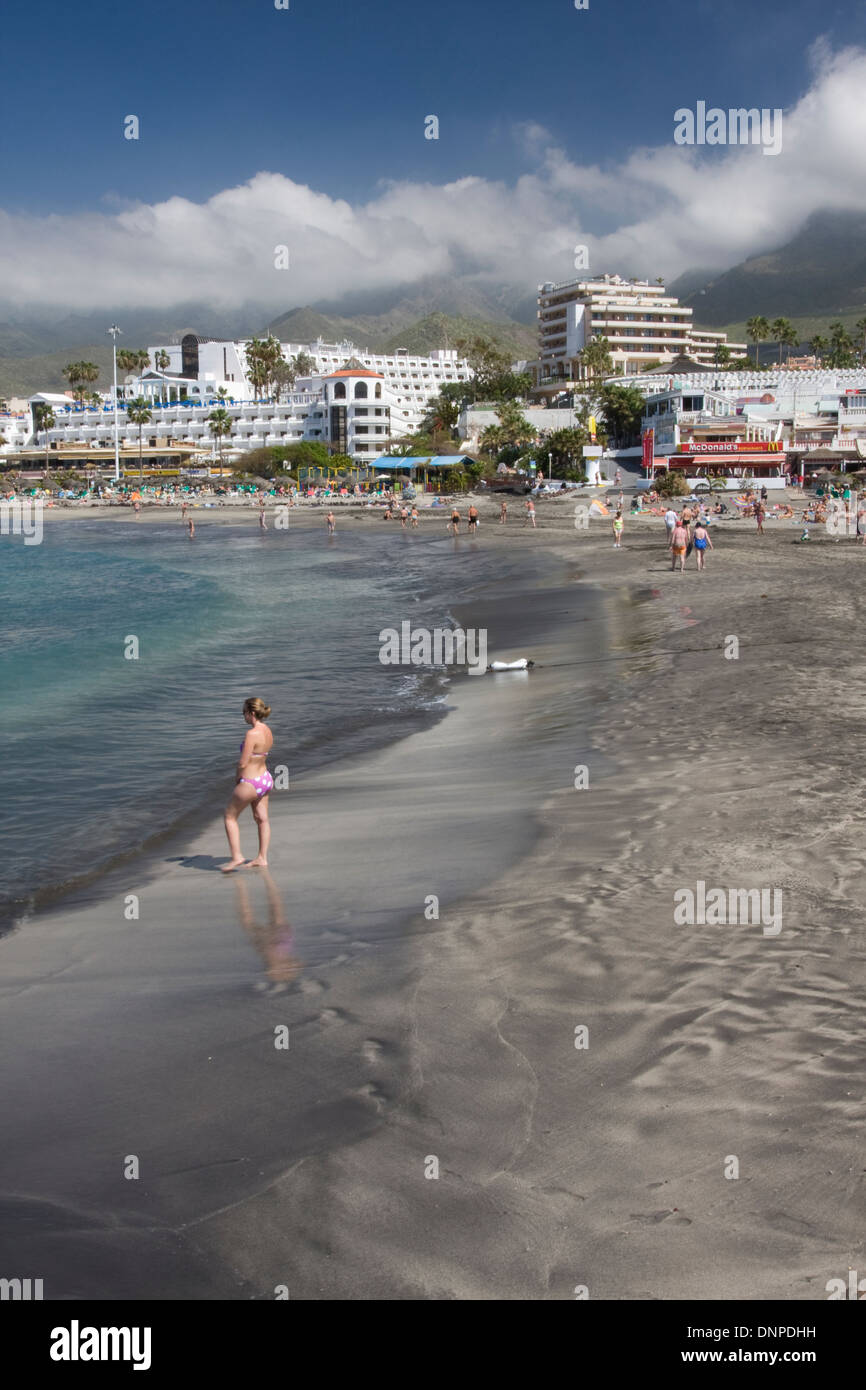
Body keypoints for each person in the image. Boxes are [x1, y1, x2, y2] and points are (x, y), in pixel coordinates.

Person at [222, 697, 275, 872]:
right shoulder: (267, 730)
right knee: (262, 819)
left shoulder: (251, 734)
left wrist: (237, 778)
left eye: (243, 712)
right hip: (265, 779)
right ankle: (262, 857)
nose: (243, 716)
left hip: (251, 782)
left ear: (251, 713)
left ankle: (237, 856)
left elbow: (243, 763)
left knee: (229, 817)